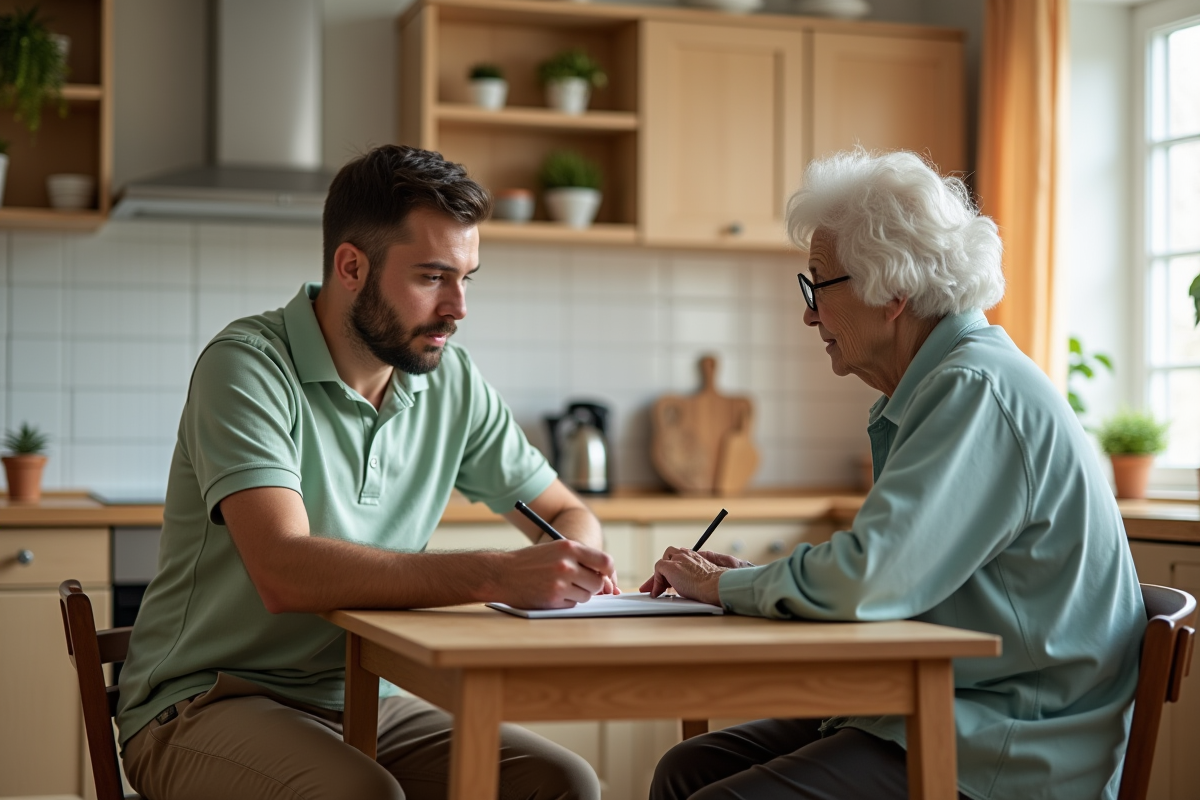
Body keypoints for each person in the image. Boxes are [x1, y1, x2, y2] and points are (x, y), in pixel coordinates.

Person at [115, 144, 617, 800]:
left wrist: (576, 557)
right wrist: (497, 573)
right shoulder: (247, 366)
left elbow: (564, 511)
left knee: (561, 784)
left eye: (467, 277)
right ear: (351, 266)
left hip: (364, 696)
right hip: (207, 700)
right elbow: (283, 570)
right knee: (360, 795)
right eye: (432, 277)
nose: (458, 308)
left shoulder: (451, 383)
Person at [643, 150, 1145, 800]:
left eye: (816, 286)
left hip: (1006, 750)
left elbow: (867, 579)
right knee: (685, 769)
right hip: (952, 711)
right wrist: (742, 580)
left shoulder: (973, 390)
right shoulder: (950, 383)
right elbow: (890, 577)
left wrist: (722, 586)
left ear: (893, 291)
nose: (808, 315)